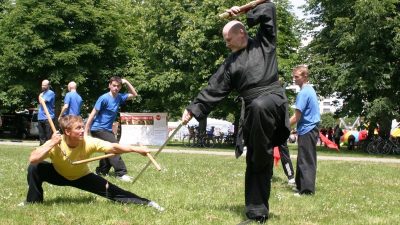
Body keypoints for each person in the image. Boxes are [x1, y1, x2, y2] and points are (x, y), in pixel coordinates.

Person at [181, 2, 290, 223]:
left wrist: (245, 12)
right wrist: (193, 109)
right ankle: (257, 212)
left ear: (241, 33)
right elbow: (214, 88)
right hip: (253, 112)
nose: (226, 44)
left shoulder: (264, 43)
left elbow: (268, 8)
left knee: (259, 107)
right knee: (256, 159)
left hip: (272, 102)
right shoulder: (230, 64)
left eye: (228, 39)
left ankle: (264, 162)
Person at [19, 115, 164, 211]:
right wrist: (51, 142)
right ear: (67, 132)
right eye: (78, 128)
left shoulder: (88, 142)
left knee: (113, 191)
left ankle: (147, 203)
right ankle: (33, 202)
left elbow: (113, 147)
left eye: (83, 127)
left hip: (82, 177)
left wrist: (136, 149)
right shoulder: (56, 143)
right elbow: (33, 158)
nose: (83, 130)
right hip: (58, 174)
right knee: (35, 168)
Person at [84, 76, 138, 182]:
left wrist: (126, 82)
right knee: (115, 147)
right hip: (97, 129)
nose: (116, 88)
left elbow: (134, 94)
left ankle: (101, 171)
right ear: (109, 86)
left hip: (107, 129)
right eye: (114, 85)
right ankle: (121, 173)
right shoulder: (103, 98)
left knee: (108, 149)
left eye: (118, 86)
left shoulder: (119, 97)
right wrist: (86, 130)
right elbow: (93, 113)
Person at [289, 65, 320, 196]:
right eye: (293, 76)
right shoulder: (309, 90)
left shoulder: (303, 93)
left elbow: (296, 116)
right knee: (303, 158)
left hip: (308, 129)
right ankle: (300, 185)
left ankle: (306, 190)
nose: (294, 79)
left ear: (305, 77)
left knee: (306, 159)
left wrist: (284, 126)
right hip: (308, 129)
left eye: (297, 77)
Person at [38, 79, 56, 145]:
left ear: (48, 85)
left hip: (48, 118)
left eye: (44, 85)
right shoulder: (42, 94)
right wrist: (40, 96)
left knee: (49, 137)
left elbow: (42, 101)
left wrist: (40, 96)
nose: (43, 86)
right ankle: (42, 150)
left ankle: (49, 150)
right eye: (42, 85)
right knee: (41, 136)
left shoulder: (51, 93)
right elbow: (40, 100)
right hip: (40, 117)